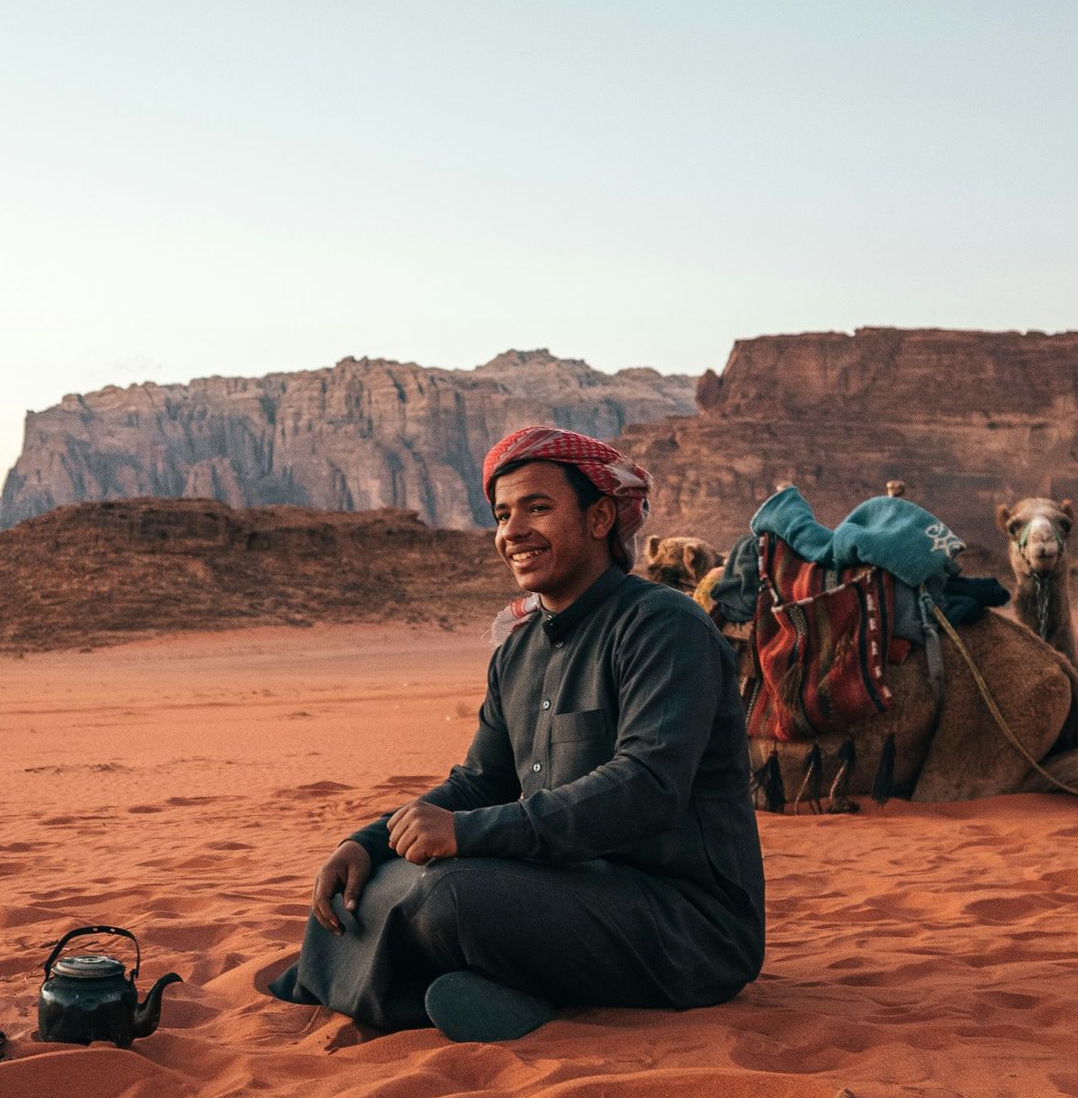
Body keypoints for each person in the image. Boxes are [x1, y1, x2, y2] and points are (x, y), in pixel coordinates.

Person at [265, 424, 765, 1042]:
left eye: (537, 508)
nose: (512, 532)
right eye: (502, 515)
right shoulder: (518, 651)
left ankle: (412, 992)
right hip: (568, 889)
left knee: (449, 897)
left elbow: (648, 786)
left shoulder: (663, 627)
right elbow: (480, 782)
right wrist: (367, 842)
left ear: (601, 517)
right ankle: (483, 989)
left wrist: (466, 834)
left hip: (686, 924)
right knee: (375, 881)